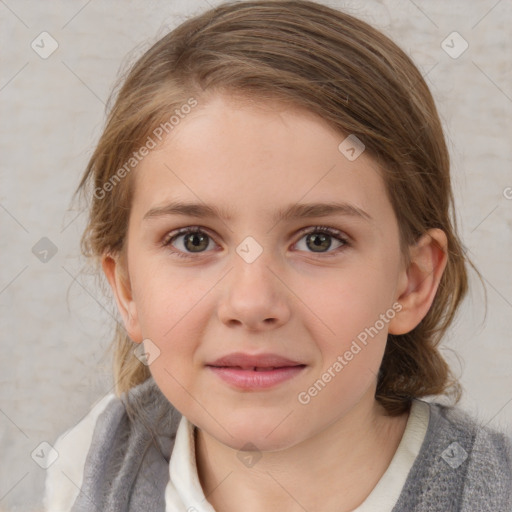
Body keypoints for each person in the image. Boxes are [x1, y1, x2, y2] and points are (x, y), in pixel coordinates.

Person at [43, 1, 512, 510]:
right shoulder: (88, 465)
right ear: (127, 288)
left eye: (319, 240)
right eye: (194, 240)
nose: (251, 303)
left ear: (411, 282)